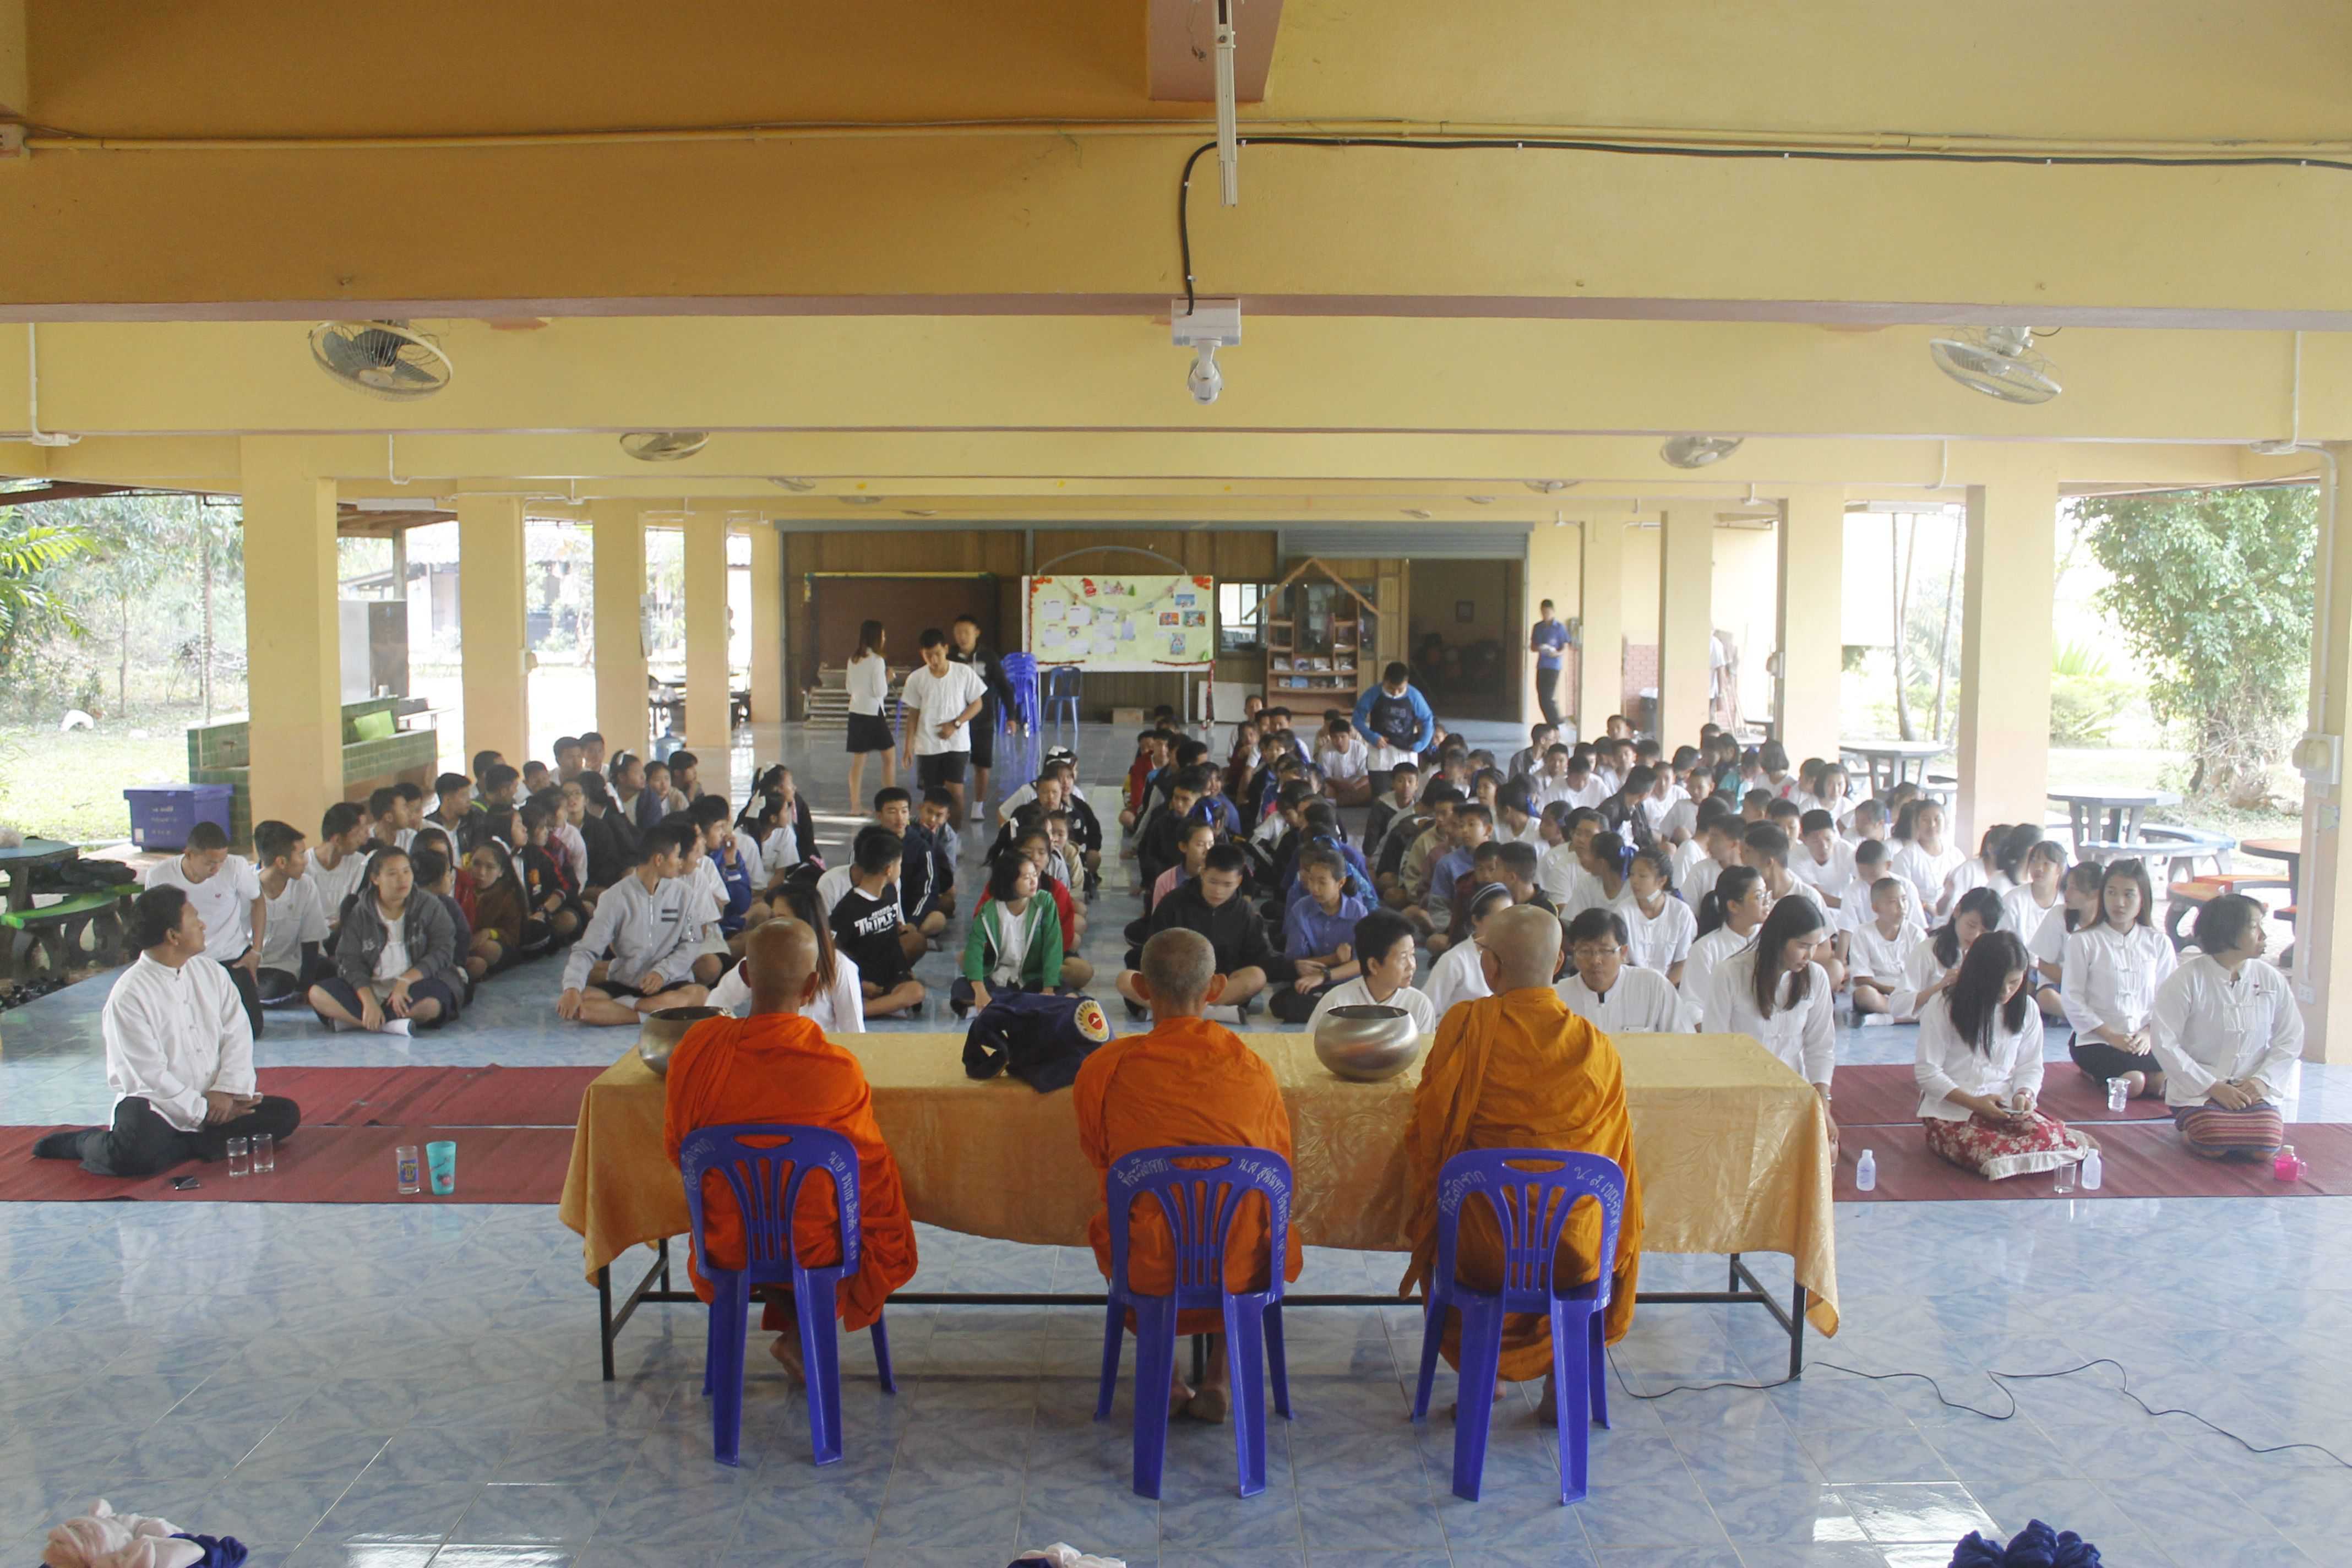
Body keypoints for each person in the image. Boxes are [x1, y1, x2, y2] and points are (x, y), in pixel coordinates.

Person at [1402, 905, 1644, 1406]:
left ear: (1490, 967)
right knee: (1571, 1221)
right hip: (1572, 1254)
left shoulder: (1466, 1026)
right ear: (1558, 963)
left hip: (1482, 1252)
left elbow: (1431, 1134)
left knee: (1455, 1212)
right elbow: (1617, 1161)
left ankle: (1484, 1373)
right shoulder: (1596, 1048)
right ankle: (1561, 1382)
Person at [663, 918, 918, 1385]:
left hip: (728, 1239)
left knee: (761, 1223)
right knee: (873, 1208)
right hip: (814, 1244)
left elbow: (678, 1149)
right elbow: (867, 1170)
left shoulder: (697, 1050)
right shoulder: (838, 1068)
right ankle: (805, 1329)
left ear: (745, 976)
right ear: (813, 987)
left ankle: (797, 1328)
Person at [1076, 928, 1303, 1422]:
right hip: (1237, 1268)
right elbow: (1278, 1172)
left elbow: (1101, 1157)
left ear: (1141, 988)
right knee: (1241, 1217)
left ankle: (1171, 1379)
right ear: (1216, 988)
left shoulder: (1105, 1068)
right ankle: (1219, 1376)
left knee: (1132, 1217)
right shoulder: (1252, 1069)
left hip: (1150, 1268)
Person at [32, 887, 302, 1177]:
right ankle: (82, 1142)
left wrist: (226, 1091)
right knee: (133, 1156)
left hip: (216, 1098)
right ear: (173, 936)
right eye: (195, 919)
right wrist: (202, 1110)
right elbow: (148, 1077)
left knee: (284, 1115)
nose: (203, 925)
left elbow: (237, 1035)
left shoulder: (211, 973)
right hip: (158, 1105)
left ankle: (180, 1146)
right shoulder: (129, 995)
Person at [1915, 931, 2093, 1180]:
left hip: (2002, 1106)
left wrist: (2024, 1094)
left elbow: (2030, 1065)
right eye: (1997, 983)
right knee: (1989, 1152)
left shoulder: (2027, 1009)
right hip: (1951, 1111)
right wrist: (1974, 1103)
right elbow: (1927, 1072)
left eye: (2014, 982)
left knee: (2046, 1137)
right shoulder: (1944, 1006)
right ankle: (2055, 1144)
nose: (2006, 991)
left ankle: (2056, 1139)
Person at [2150, 894, 2303, 1161]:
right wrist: (2212, 1086)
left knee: (2265, 1148)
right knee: (2214, 1142)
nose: (2264, 935)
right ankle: (2191, 1127)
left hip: (2250, 1088)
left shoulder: (2270, 978)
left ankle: (2230, 1125)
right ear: (2228, 930)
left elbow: (2291, 1037)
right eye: (2254, 926)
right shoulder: (2186, 980)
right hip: (2199, 1090)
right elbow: (2164, 1043)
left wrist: (2262, 1081)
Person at [555, 822, 711, 1026]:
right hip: (627, 982)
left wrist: (663, 973)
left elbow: (691, 943)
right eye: (677, 856)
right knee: (582, 1003)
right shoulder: (614, 897)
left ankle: (629, 1011)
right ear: (659, 859)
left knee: (701, 995)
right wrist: (572, 989)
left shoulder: (684, 894)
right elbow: (587, 949)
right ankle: (652, 1012)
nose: (681, 863)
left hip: (670, 982)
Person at [1702, 895, 1837, 1111]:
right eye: (1803, 946)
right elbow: (1716, 1045)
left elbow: (1820, 1046)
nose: (1809, 955)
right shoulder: (1730, 974)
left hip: (1793, 1093)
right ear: (1779, 938)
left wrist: (1823, 1102)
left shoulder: (1816, 977)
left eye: (1814, 946)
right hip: (1740, 1093)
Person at [308, 845, 460, 1035]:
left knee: (432, 1004)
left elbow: (443, 950)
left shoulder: (430, 906)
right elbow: (349, 960)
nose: (402, 879)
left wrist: (405, 981)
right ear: (375, 878)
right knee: (317, 994)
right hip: (370, 987)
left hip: (414, 986)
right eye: (392, 874)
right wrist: (368, 1001)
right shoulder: (361, 912)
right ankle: (391, 1025)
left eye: (406, 871)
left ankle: (357, 1021)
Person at [2060, 858, 2179, 1099]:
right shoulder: (2083, 941)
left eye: (2128, 894)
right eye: (2112, 893)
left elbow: (2170, 999)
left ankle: (2136, 1075)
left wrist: (2148, 1033)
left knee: (2164, 1084)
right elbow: (2072, 998)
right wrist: (2110, 1036)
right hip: (2097, 1039)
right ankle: (2092, 1073)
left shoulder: (2158, 942)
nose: (2119, 903)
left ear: (2143, 898)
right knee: (2133, 1083)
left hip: (2144, 1040)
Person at [1118, 842, 1277, 1021]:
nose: (1218, 891)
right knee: (1125, 979)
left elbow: (1259, 957)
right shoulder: (1173, 903)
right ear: (1203, 872)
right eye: (1213, 882)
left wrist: (1294, 968)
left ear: (1239, 881)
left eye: (1227, 884)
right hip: (1175, 984)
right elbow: (1154, 948)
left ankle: (1170, 1011)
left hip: (1217, 989)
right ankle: (1212, 1013)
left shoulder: (1244, 912)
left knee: (1257, 977)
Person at [140, 820, 267, 1038]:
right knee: (182, 1029)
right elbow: (154, 922)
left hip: (230, 957)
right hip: (185, 961)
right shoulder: (160, 876)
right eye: (210, 863)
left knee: (252, 1029)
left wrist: (256, 951)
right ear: (189, 854)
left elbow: (258, 901)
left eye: (222, 862)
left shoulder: (236, 868)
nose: (217, 869)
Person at [827, 826, 930, 1019]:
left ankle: (863, 1009)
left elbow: (892, 940)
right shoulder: (848, 908)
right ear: (889, 869)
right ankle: (860, 1007)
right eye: (900, 864)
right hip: (859, 979)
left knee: (916, 991)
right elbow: (830, 952)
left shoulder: (890, 892)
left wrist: (903, 971)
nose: (901, 869)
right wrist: (860, 985)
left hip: (886, 976)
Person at [953, 851, 1065, 1016]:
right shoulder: (989, 911)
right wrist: (980, 991)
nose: (1034, 881)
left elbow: (1053, 947)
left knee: (1068, 992)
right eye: (1026, 878)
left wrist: (1048, 989)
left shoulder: (1045, 903)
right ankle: (1025, 1006)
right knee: (960, 988)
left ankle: (998, 1007)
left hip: (1033, 978)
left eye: (1035, 875)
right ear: (1009, 881)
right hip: (999, 978)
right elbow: (974, 951)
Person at [897, 627, 989, 823]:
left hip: (957, 743)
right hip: (927, 744)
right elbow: (913, 714)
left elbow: (977, 704)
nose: (934, 660)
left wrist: (955, 724)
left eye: (938, 654)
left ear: (946, 649)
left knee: (956, 793)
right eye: (928, 655)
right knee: (932, 796)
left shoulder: (963, 672)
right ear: (922, 654)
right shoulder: (916, 678)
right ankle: (933, 834)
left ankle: (953, 835)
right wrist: (908, 747)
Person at [1273, 846, 1370, 1022]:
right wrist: (1334, 959)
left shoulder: (1358, 913)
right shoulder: (1301, 909)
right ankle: (1337, 1011)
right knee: (1280, 1004)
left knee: (1360, 997)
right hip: (1312, 981)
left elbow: (1361, 964)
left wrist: (1325, 975)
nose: (1314, 888)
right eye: (1311, 880)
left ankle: (1333, 1010)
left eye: (1322, 882)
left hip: (1347, 982)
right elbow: (1297, 963)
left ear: (1340, 883)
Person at [1558, 907, 1691, 1033]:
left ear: (1623, 952)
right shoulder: (1559, 997)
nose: (1595, 960)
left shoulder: (1654, 986)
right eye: (1585, 951)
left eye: (1605, 951)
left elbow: (1684, 1039)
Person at [1304, 908, 1437, 1033]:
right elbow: (1309, 1047)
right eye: (1403, 958)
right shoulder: (1336, 1003)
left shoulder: (1419, 1005)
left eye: (1412, 955)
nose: (1412, 965)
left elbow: (1425, 1050)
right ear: (1373, 966)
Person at [1890, 886, 2005, 1022]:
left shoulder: (1989, 954)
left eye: (1984, 931)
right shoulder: (1928, 951)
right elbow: (1897, 1006)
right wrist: (1940, 987)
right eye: (1971, 925)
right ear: (1957, 911)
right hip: (1935, 1027)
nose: (1975, 935)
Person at [948, 612, 1019, 821]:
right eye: (958, 632)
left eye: (966, 632)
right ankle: (953, 805)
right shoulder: (949, 657)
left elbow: (1005, 687)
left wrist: (1011, 716)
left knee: (982, 764)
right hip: (956, 721)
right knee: (954, 765)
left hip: (983, 719)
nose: (962, 637)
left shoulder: (989, 657)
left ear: (977, 633)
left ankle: (978, 805)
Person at [251, 819, 328, 1004]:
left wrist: (306, 987)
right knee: (270, 985)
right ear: (281, 862)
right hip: (253, 966)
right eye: (301, 855)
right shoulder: (246, 888)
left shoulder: (305, 886)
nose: (306, 861)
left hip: (287, 967)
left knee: (330, 970)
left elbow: (311, 940)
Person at [1684, 864, 1766, 1025]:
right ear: (1734, 906)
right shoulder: (1706, 949)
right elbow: (1693, 1005)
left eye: (1766, 894)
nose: (1767, 902)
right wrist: (1718, 1036)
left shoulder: (1773, 941)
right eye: (1759, 896)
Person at [1423, 882, 1513, 1017]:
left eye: (1510, 918)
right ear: (1476, 920)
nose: (1506, 925)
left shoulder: (1513, 956)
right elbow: (1426, 1011)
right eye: (1499, 918)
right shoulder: (1455, 960)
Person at [1614, 845, 1695, 985]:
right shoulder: (1623, 912)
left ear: (1662, 881)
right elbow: (1621, 962)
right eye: (1632, 874)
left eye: (1642, 876)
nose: (1634, 881)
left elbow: (1682, 962)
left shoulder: (1681, 912)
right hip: (1632, 984)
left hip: (1669, 986)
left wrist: (1664, 989)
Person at [1844, 877, 1921, 1023]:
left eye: (1904, 900)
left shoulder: (1916, 933)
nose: (1901, 907)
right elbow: (1860, 978)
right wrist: (1889, 990)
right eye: (1893, 902)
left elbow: (1923, 974)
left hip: (1909, 993)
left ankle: (1885, 1019)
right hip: (1880, 993)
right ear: (1876, 908)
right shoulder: (1862, 933)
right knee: (1864, 995)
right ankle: (1913, 1017)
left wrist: (1905, 992)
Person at [842, 618, 893, 813]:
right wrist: (888, 678)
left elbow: (849, 688)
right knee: (889, 757)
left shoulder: (853, 660)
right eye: (883, 635)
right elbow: (881, 691)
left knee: (858, 762)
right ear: (877, 637)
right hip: (873, 713)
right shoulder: (878, 661)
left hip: (856, 712)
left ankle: (855, 806)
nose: (885, 638)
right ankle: (891, 802)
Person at [1351, 660, 1437, 767]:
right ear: (1385, 681)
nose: (1395, 693)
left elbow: (1428, 719)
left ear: (1407, 682)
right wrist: (1371, 737)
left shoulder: (1414, 696)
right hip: (1379, 750)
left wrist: (1422, 744)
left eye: (1400, 689)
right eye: (1391, 688)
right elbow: (1357, 719)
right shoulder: (1373, 693)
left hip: (1406, 751)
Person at [1891, 801, 1966, 918]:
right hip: (1918, 918)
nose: (1932, 825)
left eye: (1937, 819)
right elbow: (1900, 893)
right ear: (1916, 823)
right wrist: (1926, 907)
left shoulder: (1956, 855)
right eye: (1925, 820)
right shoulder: (1906, 857)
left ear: (1945, 821)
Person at [1527, 599, 1571, 727]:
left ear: (1553, 611)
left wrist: (1557, 653)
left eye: (1548, 612)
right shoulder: (1538, 627)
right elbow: (1533, 647)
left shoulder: (1559, 628)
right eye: (1543, 612)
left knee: (1548, 697)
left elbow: (1565, 646)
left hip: (1554, 666)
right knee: (1541, 697)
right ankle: (1552, 723)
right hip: (1542, 665)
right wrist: (1540, 648)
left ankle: (1556, 724)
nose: (1545, 615)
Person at [1315, 714, 1373, 806]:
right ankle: (1351, 802)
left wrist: (1353, 787)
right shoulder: (1325, 751)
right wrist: (1341, 786)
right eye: (1335, 737)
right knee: (1325, 789)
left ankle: (1337, 803)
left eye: (1343, 737)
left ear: (1349, 735)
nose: (1339, 741)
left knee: (1371, 788)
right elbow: (1326, 777)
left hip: (1356, 786)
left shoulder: (1360, 748)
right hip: (1335, 786)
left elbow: (1366, 776)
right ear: (1330, 737)